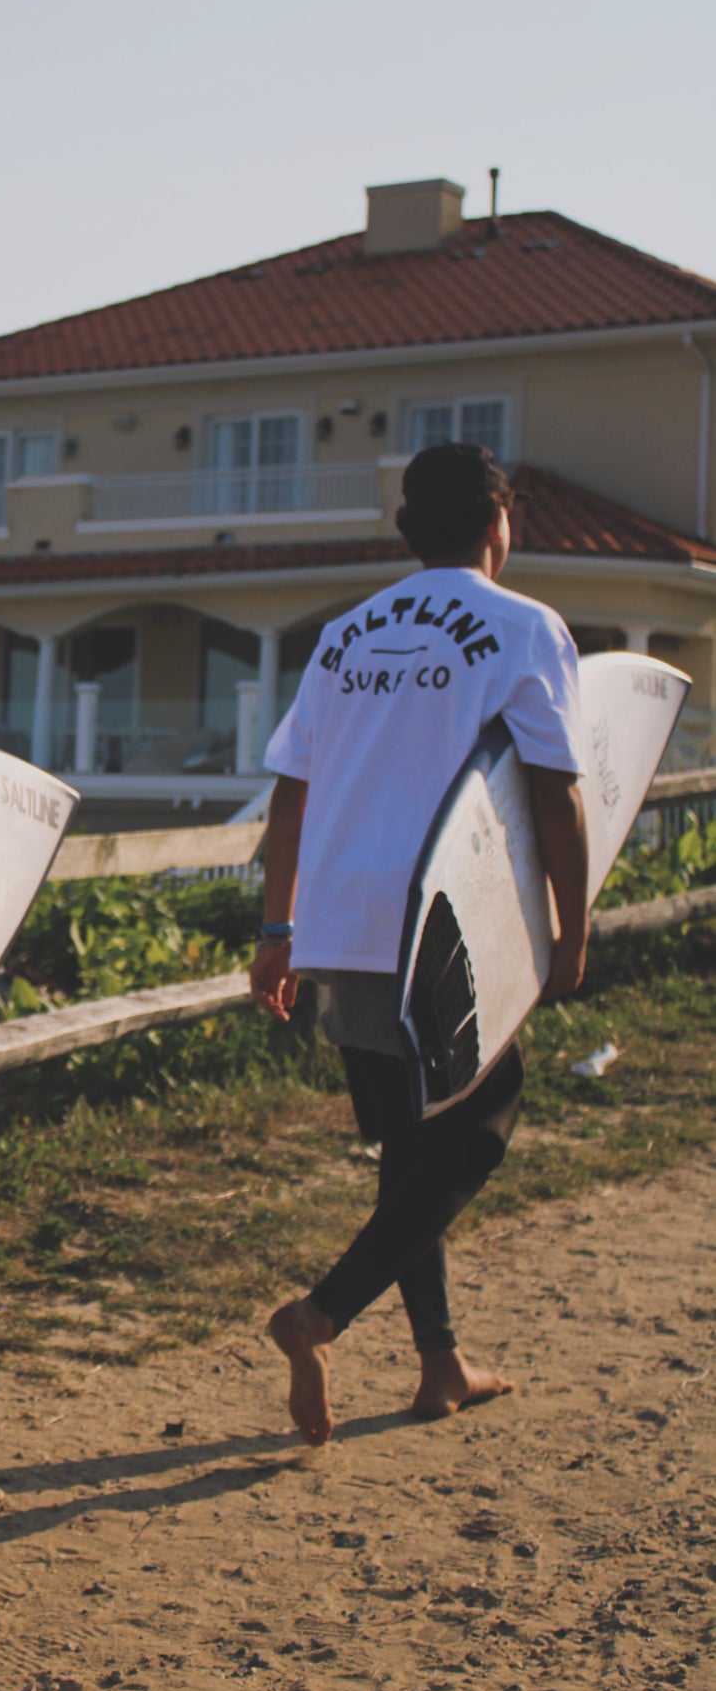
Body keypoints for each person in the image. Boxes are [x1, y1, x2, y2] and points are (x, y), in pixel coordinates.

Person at [252, 442, 589, 1447]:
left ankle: (439, 1362)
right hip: (442, 924)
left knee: (409, 1147)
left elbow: (291, 790)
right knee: (481, 1119)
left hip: (341, 924)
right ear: (496, 521)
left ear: (406, 529)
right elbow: (554, 788)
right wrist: (567, 928)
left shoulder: (347, 633)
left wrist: (276, 929)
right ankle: (317, 1313)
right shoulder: (524, 626)